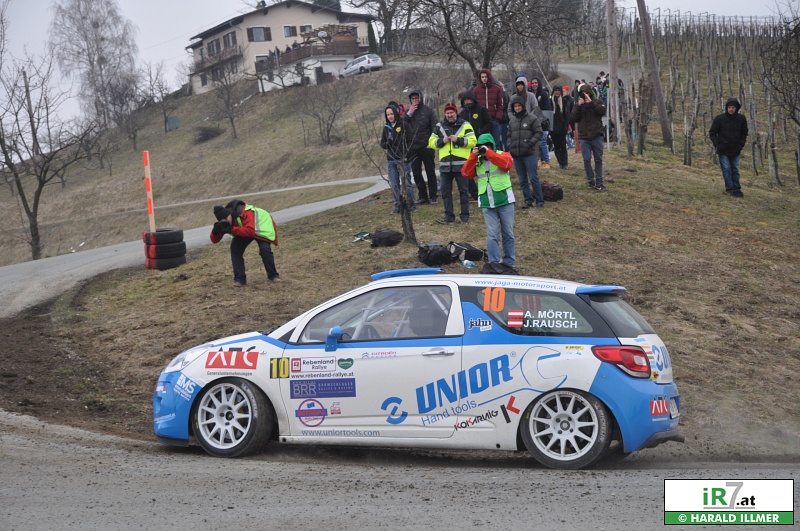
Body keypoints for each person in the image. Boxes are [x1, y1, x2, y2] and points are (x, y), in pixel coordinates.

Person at [462, 133, 516, 268]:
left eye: (486, 146)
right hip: (487, 201)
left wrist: (489, 153)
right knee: (492, 236)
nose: (483, 148)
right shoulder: (477, 159)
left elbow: (507, 165)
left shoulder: (502, 154)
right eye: (481, 146)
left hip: (505, 200)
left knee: (508, 234)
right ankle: (494, 263)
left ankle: (509, 263)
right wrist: (473, 156)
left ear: (492, 145)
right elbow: (466, 173)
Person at [210, 200, 280, 286]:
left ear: (229, 214)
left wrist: (231, 229)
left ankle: (273, 276)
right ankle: (239, 280)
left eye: (227, 219)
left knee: (264, 250)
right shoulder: (225, 222)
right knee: (235, 249)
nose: (227, 221)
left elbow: (250, 231)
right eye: (224, 220)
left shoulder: (245, 212)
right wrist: (215, 231)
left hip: (262, 227)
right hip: (244, 230)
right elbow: (214, 240)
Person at [429, 102, 476, 224]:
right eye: (447, 113)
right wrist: (442, 141)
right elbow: (431, 142)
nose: (449, 115)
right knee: (445, 192)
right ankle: (449, 217)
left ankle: (464, 217)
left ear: (456, 112)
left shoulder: (465, 125)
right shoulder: (439, 126)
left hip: (461, 165)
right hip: (445, 166)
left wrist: (458, 140)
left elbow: (473, 141)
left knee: (464, 192)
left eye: (451, 112)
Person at [507, 94, 544, 208]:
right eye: (515, 106)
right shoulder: (512, 121)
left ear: (523, 106)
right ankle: (528, 200)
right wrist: (510, 146)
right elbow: (508, 135)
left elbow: (539, 132)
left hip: (529, 154)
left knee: (533, 178)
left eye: (519, 106)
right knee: (522, 180)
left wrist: (530, 143)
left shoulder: (532, 118)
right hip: (517, 154)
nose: (517, 108)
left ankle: (539, 200)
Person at [404, 89, 439, 205]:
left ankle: (433, 196)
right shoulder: (408, 112)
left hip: (427, 146)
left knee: (430, 171)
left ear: (420, 98)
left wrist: (432, 142)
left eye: (416, 98)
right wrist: (409, 113)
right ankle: (423, 196)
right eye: (412, 99)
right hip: (413, 148)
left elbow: (435, 127)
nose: (415, 100)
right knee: (416, 173)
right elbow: (402, 125)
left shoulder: (428, 111)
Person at [709, 98, 749, 197]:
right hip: (723, 149)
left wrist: (741, 144)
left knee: (735, 169)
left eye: (733, 107)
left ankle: (737, 188)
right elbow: (712, 133)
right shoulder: (719, 119)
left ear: (737, 108)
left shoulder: (741, 119)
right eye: (729, 107)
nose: (731, 109)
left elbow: (744, 133)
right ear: (726, 108)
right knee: (726, 169)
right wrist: (717, 144)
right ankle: (730, 189)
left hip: (736, 149)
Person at [570, 83, 607, 191]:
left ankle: (599, 183)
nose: (585, 95)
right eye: (583, 93)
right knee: (586, 159)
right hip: (584, 137)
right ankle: (591, 181)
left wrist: (591, 103)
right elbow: (573, 118)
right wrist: (578, 106)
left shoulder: (597, 102)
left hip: (597, 135)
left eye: (587, 93)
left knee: (598, 159)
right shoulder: (579, 105)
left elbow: (602, 111)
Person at [381, 103, 416, 213]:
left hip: (403, 159)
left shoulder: (404, 125)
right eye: (388, 115)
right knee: (394, 184)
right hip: (391, 159)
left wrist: (407, 154)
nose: (390, 116)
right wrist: (388, 143)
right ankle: (398, 206)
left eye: (391, 114)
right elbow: (382, 144)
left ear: (395, 114)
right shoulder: (386, 128)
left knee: (407, 183)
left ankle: (411, 205)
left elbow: (411, 140)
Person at [459, 89, 492, 202]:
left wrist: (480, 133)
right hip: (468, 145)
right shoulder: (462, 114)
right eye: (465, 100)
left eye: (468, 99)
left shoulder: (481, 109)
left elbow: (489, 123)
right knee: (468, 167)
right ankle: (474, 193)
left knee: (484, 167)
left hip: (481, 143)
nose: (467, 102)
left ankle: (488, 190)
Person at [472, 68, 505, 148]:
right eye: (482, 77)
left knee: (496, 142)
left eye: (486, 77)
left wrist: (497, 117)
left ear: (489, 77)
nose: (484, 79)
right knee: (482, 143)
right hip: (481, 122)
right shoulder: (476, 90)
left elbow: (500, 104)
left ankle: (497, 156)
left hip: (493, 120)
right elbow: (474, 105)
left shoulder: (496, 89)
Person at [530, 77, 552, 170]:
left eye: (536, 83)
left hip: (543, 123)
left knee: (543, 142)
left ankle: (546, 160)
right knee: (537, 143)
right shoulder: (530, 95)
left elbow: (547, 109)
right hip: (534, 122)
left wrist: (546, 121)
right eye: (533, 83)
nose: (534, 85)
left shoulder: (543, 94)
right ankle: (539, 160)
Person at [550, 85, 571, 169]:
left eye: (558, 90)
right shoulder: (550, 101)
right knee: (556, 147)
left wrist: (565, 126)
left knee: (563, 146)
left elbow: (567, 115)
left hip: (562, 128)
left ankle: (565, 163)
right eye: (555, 90)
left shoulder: (564, 101)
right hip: (553, 129)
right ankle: (560, 163)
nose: (557, 92)